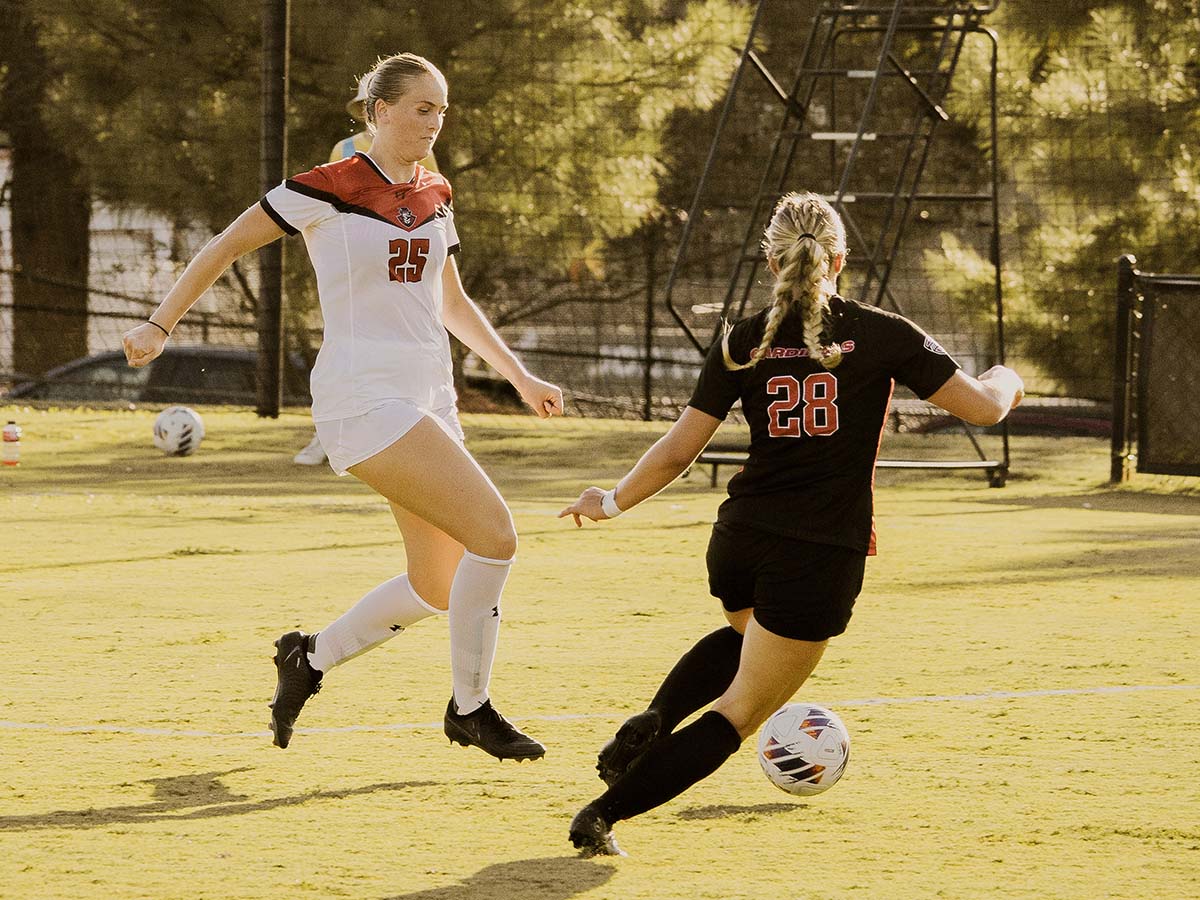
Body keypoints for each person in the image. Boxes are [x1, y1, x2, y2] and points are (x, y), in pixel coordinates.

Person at [124, 52, 564, 761]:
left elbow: (451, 301)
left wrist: (518, 376)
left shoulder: (436, 191)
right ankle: (471, 708)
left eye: (442, 111)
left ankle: (310, 658)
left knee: (436, 583)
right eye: (422, 109)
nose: (434, 123)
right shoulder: (324, 189)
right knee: (497, 534)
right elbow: (224, 246)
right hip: (363, 399)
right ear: (378, 111)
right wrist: (160, 325)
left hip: (430, 398)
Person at [558, 191, 1024, 855]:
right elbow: (982, 408)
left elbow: (678, 452)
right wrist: (1008, 378)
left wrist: (609, 501)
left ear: (769, 260)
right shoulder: (882, 331)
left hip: (740, 538)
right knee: (741, 709)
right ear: (840, 259)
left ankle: (658, 715)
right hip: (819, 551)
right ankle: (603, 814)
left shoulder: (743, 341)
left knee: (749, 641)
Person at [293, 74, 442, 467]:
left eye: (435, 111)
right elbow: (334, 207)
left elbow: (426, 199)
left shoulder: (419, 150)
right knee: (349, 342)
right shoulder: (343, 150)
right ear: (375, 110)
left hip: (401, 252)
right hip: (363, 259)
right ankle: (330, 434)